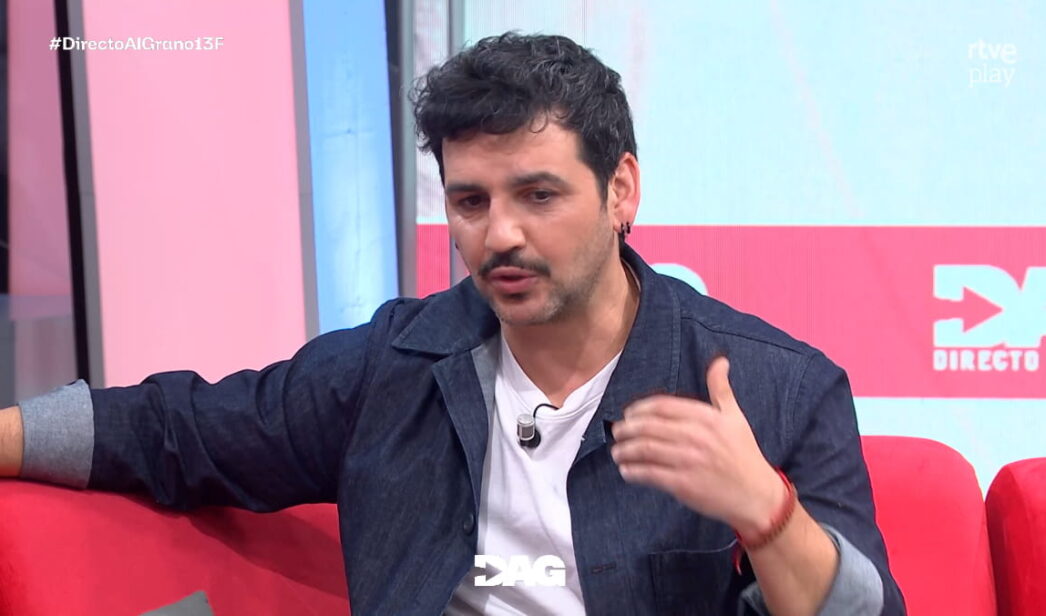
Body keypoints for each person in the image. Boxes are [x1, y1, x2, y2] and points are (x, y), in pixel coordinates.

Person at [0, 32, 904, 615]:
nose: (499, 234)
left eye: (538, 195)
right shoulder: (392, 364)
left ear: (621, 190)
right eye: (471, 201)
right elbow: (176, 429)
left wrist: (765, 514)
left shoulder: (776, 386)